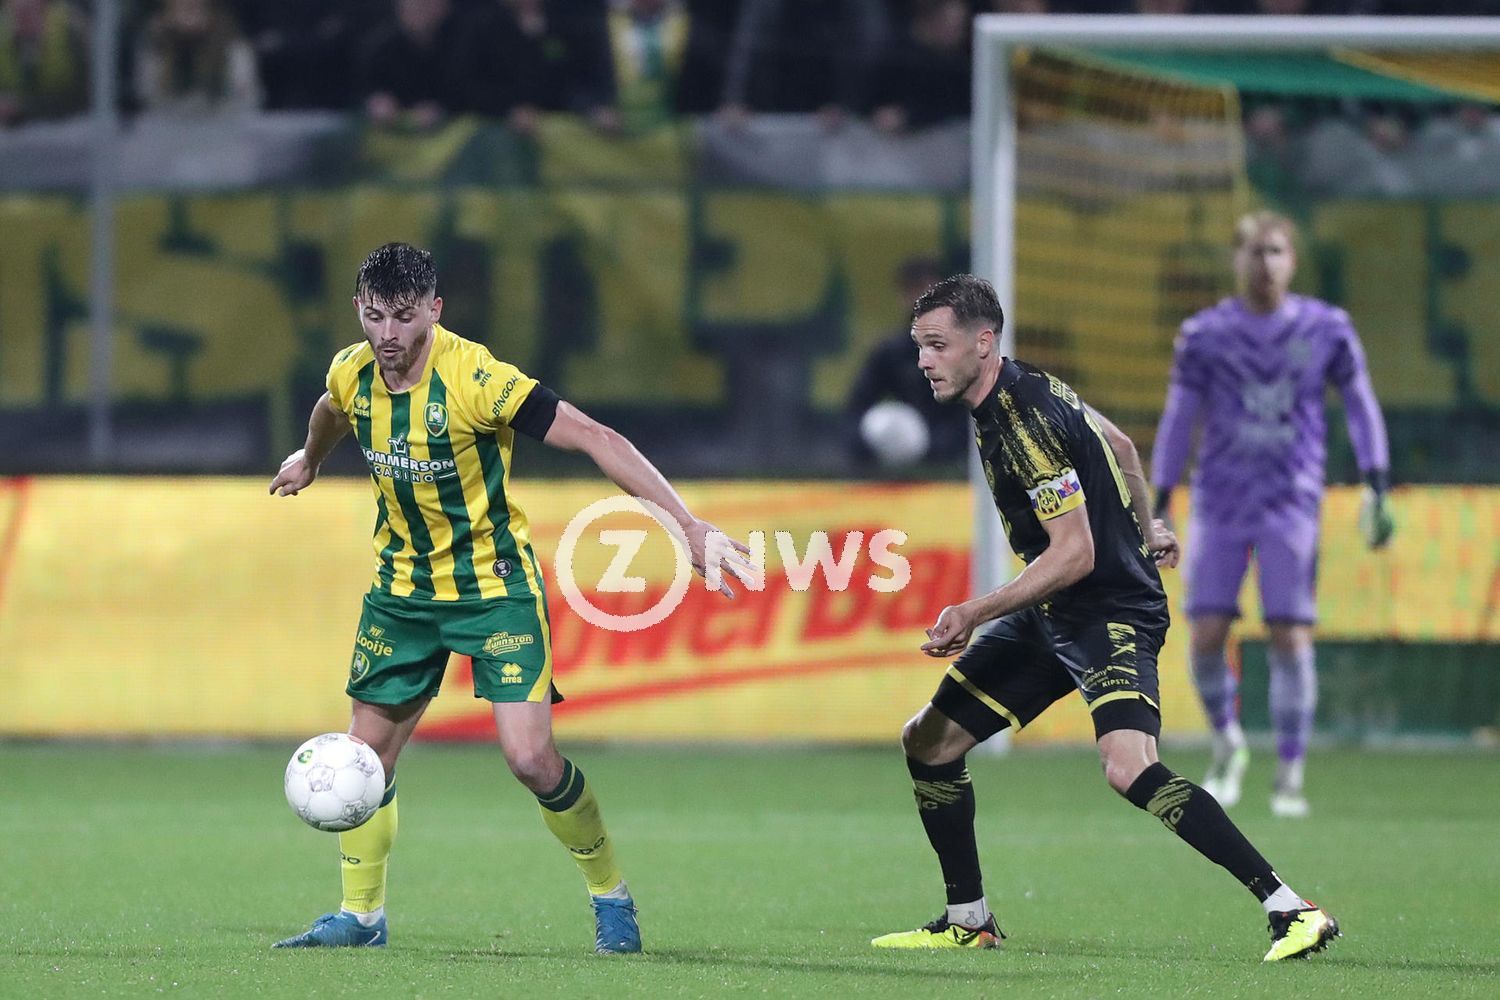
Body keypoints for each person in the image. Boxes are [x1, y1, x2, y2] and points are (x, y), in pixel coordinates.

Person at [269, 243, 750, 953]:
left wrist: (686, 525)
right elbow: (331, 409)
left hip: (493, 589)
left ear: (434, 310)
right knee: (365, 758)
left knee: (530, 760)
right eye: (374, 317)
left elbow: (596, 436)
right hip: (401, 594)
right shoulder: (352, 370)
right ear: (358, 312)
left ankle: (610, 893)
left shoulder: (476, 379)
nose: (388, 335)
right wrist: (311, 458)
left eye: (404, 317)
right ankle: (361, 916)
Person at [871, 274, 1339, 962]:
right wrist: (1148, 527)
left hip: (1109, 611)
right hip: (1055, 609)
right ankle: (969, 920)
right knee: (930, 742)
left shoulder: (1022, 421)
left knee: (1128, 767)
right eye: (920, 346)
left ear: (983, 342)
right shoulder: (1029, 385)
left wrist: (973, 610)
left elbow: (1076, 553)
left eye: (937, 345)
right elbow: (1119, 444)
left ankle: (1291, 908)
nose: (923, 361)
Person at [1151, 212, 1392, 818]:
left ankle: (1289, 771)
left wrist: (1376, 479)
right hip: (1220, 500)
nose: (1266, 264)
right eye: (1255, 252)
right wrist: (1159, 497)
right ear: (1237, 260)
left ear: (1293, 260)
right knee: (1206, 632)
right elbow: (1180, 416)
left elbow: (1359, 402)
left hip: (1292, 500)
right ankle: (1227, 744)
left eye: (1276, 252)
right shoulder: (1204, 334)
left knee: (1289, 633)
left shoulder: (1327, 329)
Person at [847, 256, 969, 467]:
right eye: (914, 290)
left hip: (953, 472)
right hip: (899, 473)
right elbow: (855, 412)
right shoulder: (890, 353)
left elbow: (973, 418)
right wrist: (873, 446)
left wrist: (932, 446)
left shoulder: (964, 353)